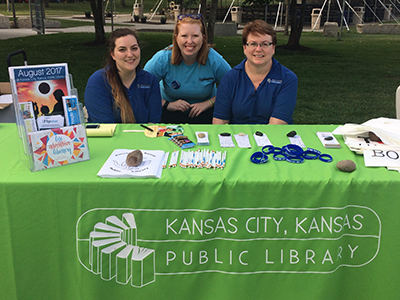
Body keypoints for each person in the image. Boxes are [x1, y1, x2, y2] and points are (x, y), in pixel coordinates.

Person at [144, 14, 231, 124]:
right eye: (184, 36)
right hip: (169, 111)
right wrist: (167, 104)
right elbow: (142, 87)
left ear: (203, 38)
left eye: (195, 36)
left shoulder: (214, 60)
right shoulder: (162, 59)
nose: (190, 41)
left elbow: (233, 87)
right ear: (176, 37)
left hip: (204, 112)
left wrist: (208, 103)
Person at [213, 20, 298, 125]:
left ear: (273, 48)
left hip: (273, 139)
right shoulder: (230, 78)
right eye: (253, 44)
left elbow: (277, 125)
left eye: (265, 44)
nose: (258, 49)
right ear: (245, 47)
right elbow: (220, 121)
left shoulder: (287, 78)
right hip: (237, 138)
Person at [85, 28, 161, 123]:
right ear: (113, 54)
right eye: (122, 50)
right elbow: (106, 128)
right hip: (108, 137)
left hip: (143, 137)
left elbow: (153, 124)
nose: (130, 54)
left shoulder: (150, 81)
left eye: (134, 48)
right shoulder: (98, 82)